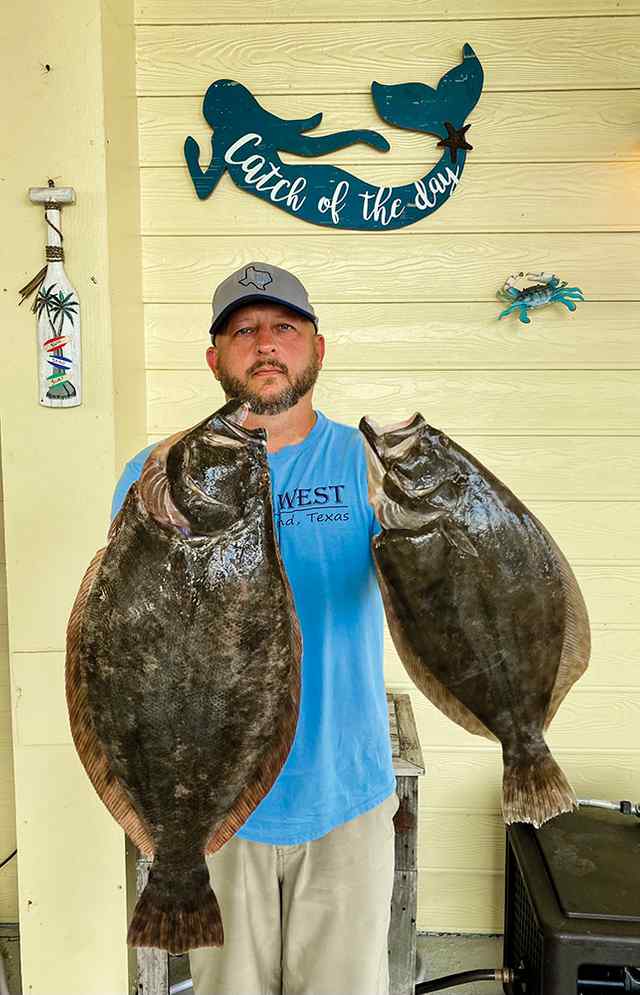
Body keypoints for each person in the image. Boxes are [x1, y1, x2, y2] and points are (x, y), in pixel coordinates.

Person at [111, 261, 399, 995]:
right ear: (215, 359)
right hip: (211, 809)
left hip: (345, 797)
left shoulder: (371, 466)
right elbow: (127, 639)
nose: (264, 343)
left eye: (284, 327)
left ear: (317, 348)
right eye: (243, 330)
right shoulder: (158, 472)